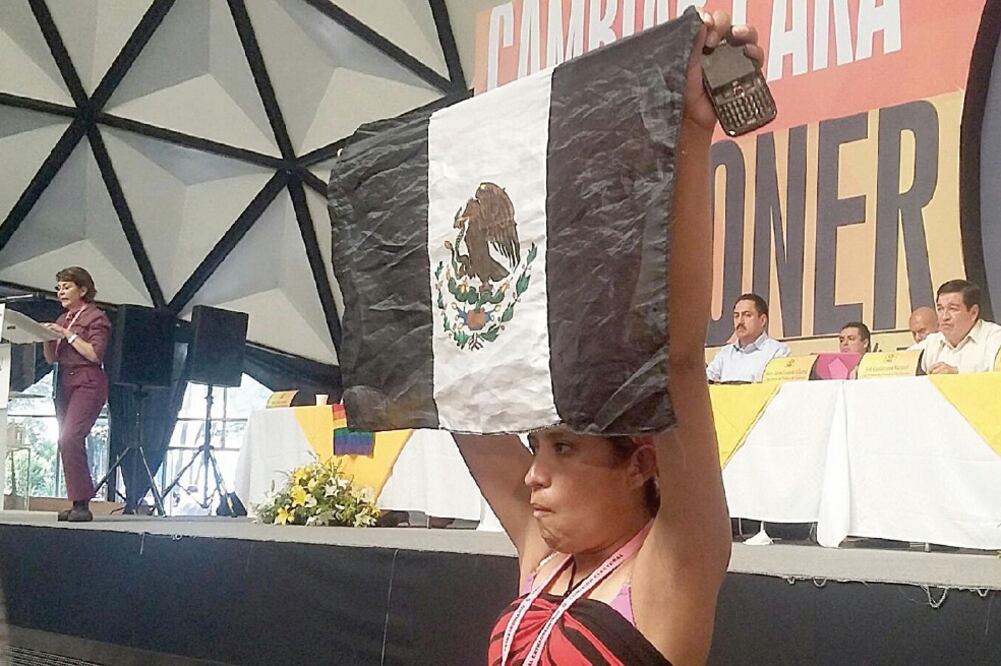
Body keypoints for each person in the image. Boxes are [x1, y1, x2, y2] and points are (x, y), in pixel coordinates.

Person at [454, 12, 759, 665]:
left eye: (563, 447)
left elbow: (676, 362)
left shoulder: (671, 570)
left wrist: (690, 131)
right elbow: (460, 392)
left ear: (641, 464)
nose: (533, 475)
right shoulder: (543, 558)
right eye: (536, 446)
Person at [42, 267, 112, 523]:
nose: (60, 291)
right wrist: (45, 337)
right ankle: (77, 502)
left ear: (83, 289)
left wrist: (68, 335)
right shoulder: (63, 319)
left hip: (88, 381)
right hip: (64, 382)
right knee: (64, 440)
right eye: (58, 287)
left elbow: (95, 354)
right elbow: (51, 359)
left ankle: (82, 503)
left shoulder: (96, 317)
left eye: (66, 286)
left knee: (72, 436)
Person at [920, 279, 1001, 374]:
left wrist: (958, 374)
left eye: (953, 309)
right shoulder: (932, 342)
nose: (945, 317)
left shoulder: (995, 339)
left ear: (973, 313)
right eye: (940, 309)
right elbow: (902, 363)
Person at [705, 293, 790, 383]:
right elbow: (706, 382)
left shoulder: (778, 351)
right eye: (736, 316)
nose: (740, 321)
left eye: (747, 315)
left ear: (762, 320)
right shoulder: (724, 354)